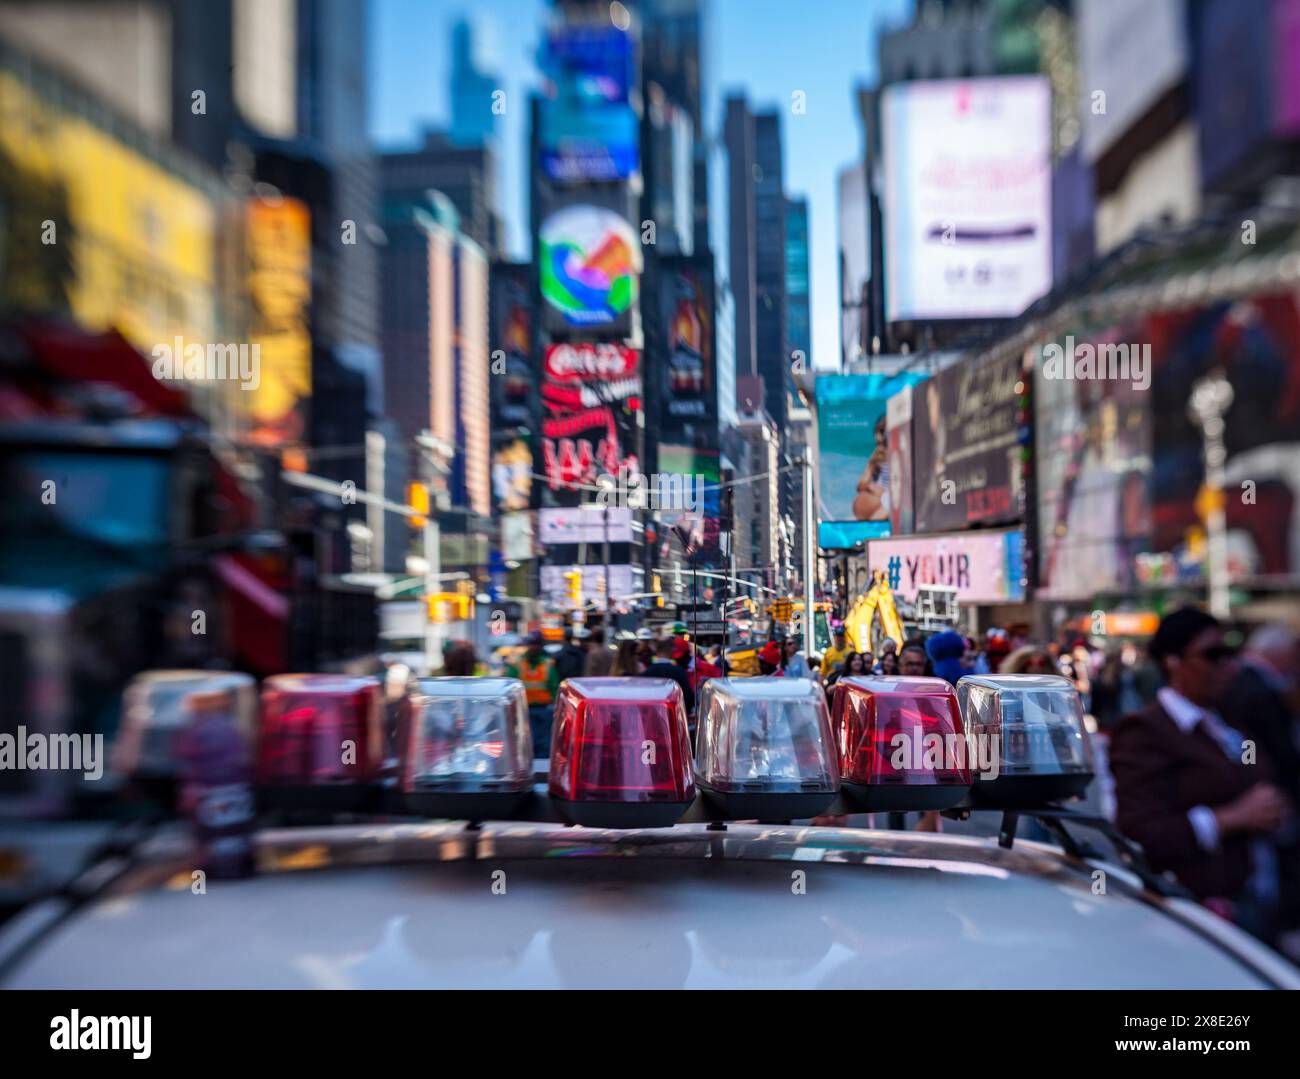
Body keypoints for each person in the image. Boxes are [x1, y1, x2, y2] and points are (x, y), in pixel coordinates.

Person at [1110, 607, 1290, 942]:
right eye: (1213, 655)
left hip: (1259, 902)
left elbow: (1258, 774)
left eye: (1230, 654)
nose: (1227, 666)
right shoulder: (1145, 731)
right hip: (1202, 916)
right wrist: (1230, 818)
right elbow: (1141, 834)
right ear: (1173, 662)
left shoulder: (1226, 724)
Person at [507, 633, 560, 753]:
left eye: (536, 644)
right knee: (528, 743)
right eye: (532, 644)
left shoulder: (548, 664)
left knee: (541, 743)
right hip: (524, 709)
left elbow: (554, 686)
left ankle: (540, 769)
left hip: (543, 709)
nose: (533, 647)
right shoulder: (517, 664)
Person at [643, 637, 696, 714]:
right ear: (671, 650)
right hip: (674, 716)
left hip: (652, 716)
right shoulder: (679, 672)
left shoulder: (647, 673)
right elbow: (688, 699)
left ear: (657, 651)